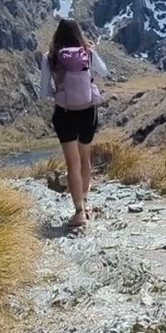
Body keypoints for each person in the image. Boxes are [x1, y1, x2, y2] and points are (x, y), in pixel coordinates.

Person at [39, 18, 107, 228]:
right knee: (85, 157)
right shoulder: (87, 53)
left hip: (64, 113)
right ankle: (85, 204)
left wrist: (60, 92)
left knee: (72, 162)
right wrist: (93, 52)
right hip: (88, 112)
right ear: (78, 34)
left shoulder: (49, 57)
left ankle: (78, 212)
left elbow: (44, 90)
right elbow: (104, 72)